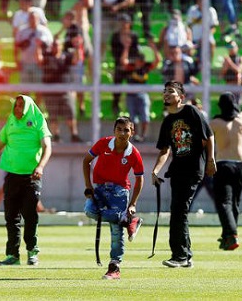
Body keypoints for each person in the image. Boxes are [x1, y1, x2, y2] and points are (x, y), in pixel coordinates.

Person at [0, 95, 52, 266]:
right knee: (11, 217)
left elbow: (47, 147)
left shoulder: (38, 120)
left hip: (31, 176)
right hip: (11, 175)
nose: (18, 109)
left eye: (21, 106)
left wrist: (40, 167)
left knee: (30, 215)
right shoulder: (11, 122)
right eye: (16, 106)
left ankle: (32, 251)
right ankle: (12, 255)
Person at [151, 81, 216, 268]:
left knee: (179, 210)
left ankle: (179, 256)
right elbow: (165, 150)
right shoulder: (167, 121)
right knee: (179, 211)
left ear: (181, 96)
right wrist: (155, 170)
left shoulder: (191, 112)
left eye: (171, 91)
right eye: (164, 91)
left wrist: (210, 160)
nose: (166, 94)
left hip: (193, 168)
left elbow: (209, 136)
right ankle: (185, 255)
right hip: (177, 170)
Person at [82, 116, 144, 280]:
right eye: (119, 129)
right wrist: (88, 186)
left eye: (126, 130)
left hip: (120, 191)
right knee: (89, 211)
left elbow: (139, 179)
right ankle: (128, 220)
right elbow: (86, 161)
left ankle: (114, 267)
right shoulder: (103, 143)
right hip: (100, 189)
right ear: (114, 131)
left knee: (116, 232)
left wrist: (133, 204)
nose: (122, 133)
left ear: (132, 132)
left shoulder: (134, 153)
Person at [210, 77, 242, 251]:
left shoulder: (215, 123)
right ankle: (227, 237)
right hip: (241, 165)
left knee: (223, 202)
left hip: (223, 164)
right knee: (234, 203)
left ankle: (231, 234)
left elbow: (201, 137)